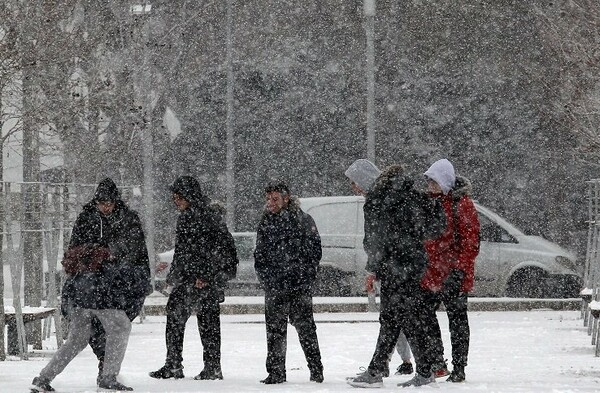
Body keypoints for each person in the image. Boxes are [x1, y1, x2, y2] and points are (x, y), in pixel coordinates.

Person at [31, 178, 150, 392]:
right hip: (103, 290)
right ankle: (108, 379)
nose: (105, 206)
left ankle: (43, 379)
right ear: (97, 201)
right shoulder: (123, 221)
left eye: (109, 202)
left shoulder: (88, 219)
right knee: (120, 327)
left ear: (116, 201)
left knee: (77, 339)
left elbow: (73, 254)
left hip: (82, 290)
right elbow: (134, 254)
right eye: (102, 202)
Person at [344, 159, 446, 388]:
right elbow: (434, 226)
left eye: (355, 183)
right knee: (396, 319)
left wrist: (373, 268)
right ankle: (382, 369)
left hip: (395, 268)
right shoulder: (403, 192)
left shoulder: (378, 201)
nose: (355, 189)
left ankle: (411, 371)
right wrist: (409, 242)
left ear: (364, 180)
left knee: (401, 319)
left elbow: (375, 241)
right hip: (411, 265)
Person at [149, 176, 238, 381]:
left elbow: (222, 251)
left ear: (190, 196)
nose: (176, 201)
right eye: (174, 197)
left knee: (201, 322)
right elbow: (184, 251)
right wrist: (174, 275)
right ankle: (184, 364)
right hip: (189, 278)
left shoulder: (206, 217)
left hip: (202, 279)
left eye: (179, 197)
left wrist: (206, 275)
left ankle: (200, 366)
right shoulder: (190, 216)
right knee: (187, 319)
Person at [254, 180, 324, 384]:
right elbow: (260, 254)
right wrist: (267, 279)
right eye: (268, 199)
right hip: (276, 285)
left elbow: (314, 253)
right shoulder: (266, 221)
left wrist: (303, 277)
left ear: (286, 199)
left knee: (305, 329)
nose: (270, 203)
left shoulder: (302, 220)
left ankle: (316, 369)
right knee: (275, 330)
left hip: (297, 285)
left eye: (275, 199)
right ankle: (276, 372)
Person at [420, 159, 480, 383]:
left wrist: (459, 270)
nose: (430, 186)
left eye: (434, 182)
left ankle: (459, 365)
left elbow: (470, 242)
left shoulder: (460, 205)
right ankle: (437, 360)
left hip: (453, 273)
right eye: (428, 182)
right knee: (425, 314)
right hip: (433, 272)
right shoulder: (431, 204)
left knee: (457, 320)